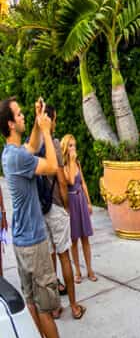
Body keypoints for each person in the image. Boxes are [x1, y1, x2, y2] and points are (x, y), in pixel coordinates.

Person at [1, 98, 90, 338]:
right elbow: (53, 165)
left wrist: (39, 123)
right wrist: (48, 131)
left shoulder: (11, 153)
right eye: (20, 114)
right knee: (46, 305)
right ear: (10, 123)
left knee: (31, 301)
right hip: (35, 242)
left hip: (22, 240)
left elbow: (30, 146)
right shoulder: (17, 158)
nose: (24, 115)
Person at [37, 105, 83, 318]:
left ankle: (55, 308)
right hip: (55, 205)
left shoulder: (34, 146)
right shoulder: (53, 144)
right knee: (65, 256)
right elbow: (62, 181)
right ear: (52, 121)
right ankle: (74, 306)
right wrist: (66, 206)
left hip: (39, 208)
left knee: (50, 257)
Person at [59, 135, 96, 283]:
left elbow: (83, 183)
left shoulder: (78, 163)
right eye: (70, 146)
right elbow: (71, 181)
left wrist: (89, 202)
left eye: (74, 145)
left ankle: (89, 269)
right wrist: (72, 161)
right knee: (74, 240)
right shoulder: (64, 166)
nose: (73, 148)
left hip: (81, 200)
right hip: (72, 202)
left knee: (85, 238)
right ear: (65, 148)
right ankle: (77, 272)